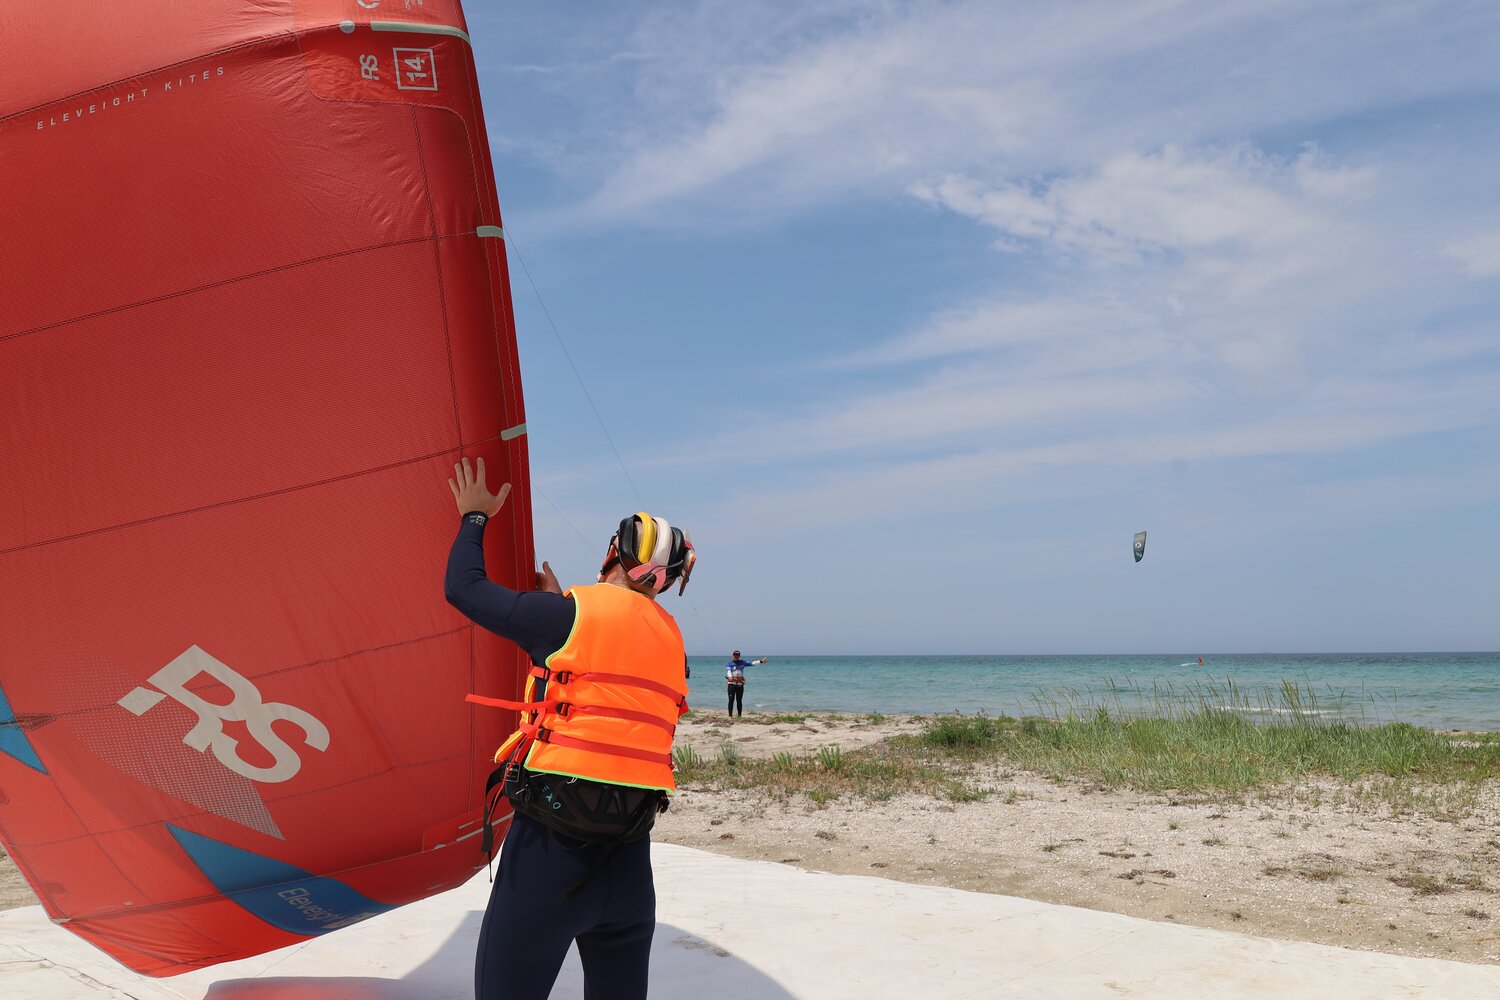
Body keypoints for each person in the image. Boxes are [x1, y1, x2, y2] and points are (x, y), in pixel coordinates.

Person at [444, 458, 696, 1000]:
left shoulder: (560, 617)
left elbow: (463, 587)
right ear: (669, 581)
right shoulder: (673, 643)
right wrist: (556, 604)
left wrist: (474, 517)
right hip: (629, 872)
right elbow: (611, 669)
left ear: (612, 553)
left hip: (547, 863)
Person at [724, 650, 768, 718]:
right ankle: (730, 716)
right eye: (735, 655)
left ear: (739, 656)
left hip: (740, 685)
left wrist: (761, 661)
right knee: (731, 700)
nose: (736, 656)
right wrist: (730, 677)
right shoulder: (729, 663)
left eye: (737, 655)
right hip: (731, 685)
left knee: (739, 701)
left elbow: (753, 663)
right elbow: (729, 671)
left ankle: (739, 716)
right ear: (733, 655)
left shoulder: (743, 662)